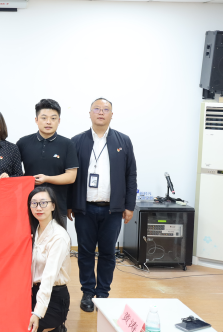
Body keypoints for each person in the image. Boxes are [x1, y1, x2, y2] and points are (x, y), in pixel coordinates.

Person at [68, 98, 137, 313]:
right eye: (97, 109)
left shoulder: (123, 141)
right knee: (85, 253)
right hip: (84, 208)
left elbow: (131, 175)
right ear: (89, 113)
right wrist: (70, 204)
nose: (101, 112)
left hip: (112, 209)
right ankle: (88, 292)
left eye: (106, 109)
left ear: (111, 115)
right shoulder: (77, 141)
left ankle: (103, 294)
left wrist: (129, 205)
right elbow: (70, 174)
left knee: (108, 253)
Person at [17, 99, 78, 228]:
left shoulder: (67, 144)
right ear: (36, 120)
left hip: (57, 206)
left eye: (53, 118)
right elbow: (15, 171)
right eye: (44, 118)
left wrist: (47, 178)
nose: (48, 122)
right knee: (31, 240)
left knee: (57, 240)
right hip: (30, 206)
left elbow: (71, 176)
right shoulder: (23, 143)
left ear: (59, 121)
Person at [28, 186, 71, 332]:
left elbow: (48, 278)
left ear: (53, 206)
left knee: (27, 326)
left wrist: (37, 313)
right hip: (34, 292)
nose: (38, 207)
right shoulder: (34, 231)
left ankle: (57, 327)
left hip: (54, 296)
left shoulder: (59, 236)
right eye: (34, 203)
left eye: (43, 203)